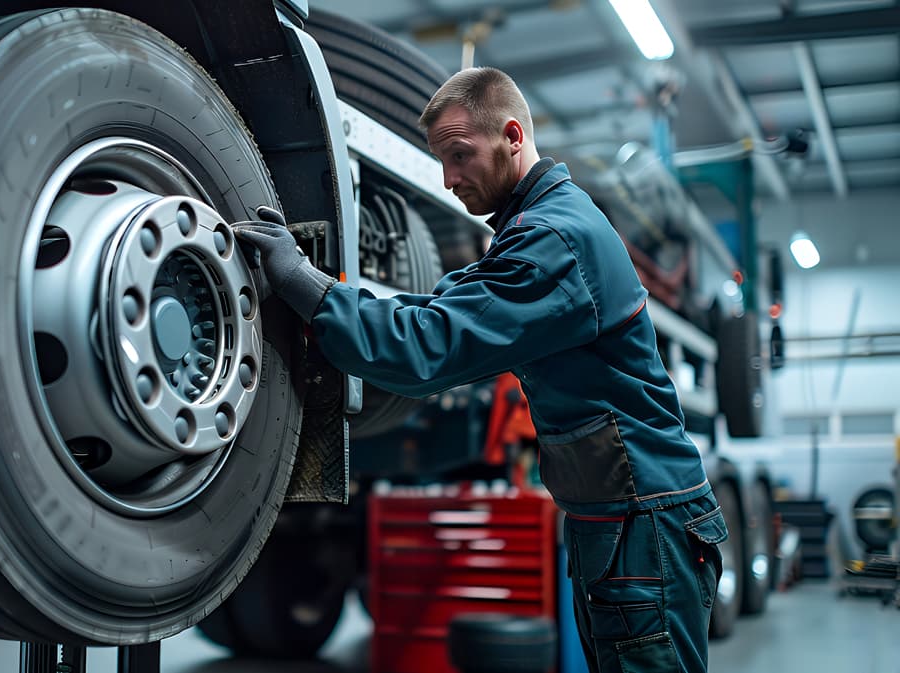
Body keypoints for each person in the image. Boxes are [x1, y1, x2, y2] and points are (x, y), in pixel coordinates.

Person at [232, 66, 729, 673]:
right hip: (620, 519)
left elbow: (430, 347)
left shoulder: (555, 241)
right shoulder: (535, 231)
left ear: (513, 137)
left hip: (642, 525)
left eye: (461, 155)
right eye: (442, 160)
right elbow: (439, 308)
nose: (449, 179)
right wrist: (325, 291)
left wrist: (304, 287)